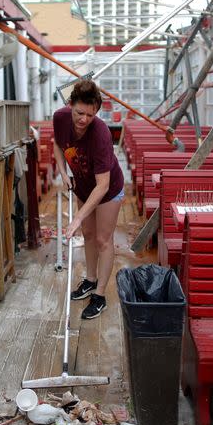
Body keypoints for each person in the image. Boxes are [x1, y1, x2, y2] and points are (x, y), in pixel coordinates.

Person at [53, 79, 125, 319]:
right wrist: (63, 173)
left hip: (107, 189)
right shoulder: (60, 118)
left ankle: (100, 294)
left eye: (90, 115)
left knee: (103, 239)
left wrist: (77, 218)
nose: (83, 120)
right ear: (71, 104)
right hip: (83, 187)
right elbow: (57, 143)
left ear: (97, 112)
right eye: (79, 113)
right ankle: (90, 280)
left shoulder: (101, 134)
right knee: (88, 234)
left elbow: (103, 185)